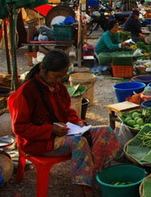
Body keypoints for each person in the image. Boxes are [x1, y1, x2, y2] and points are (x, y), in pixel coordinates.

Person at [9, 50, 120, 197]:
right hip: (38, 142)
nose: (58, 80)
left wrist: (78, 122)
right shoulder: (26, 92)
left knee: (105, 131)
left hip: (64, 133)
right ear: (43, 69)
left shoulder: (59, 88)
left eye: (62, 77)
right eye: (56, 76)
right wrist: (50, 129)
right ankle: (80, 191)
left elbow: (67, 112)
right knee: (79, 143)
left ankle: (98, 176)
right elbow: (19, 128)